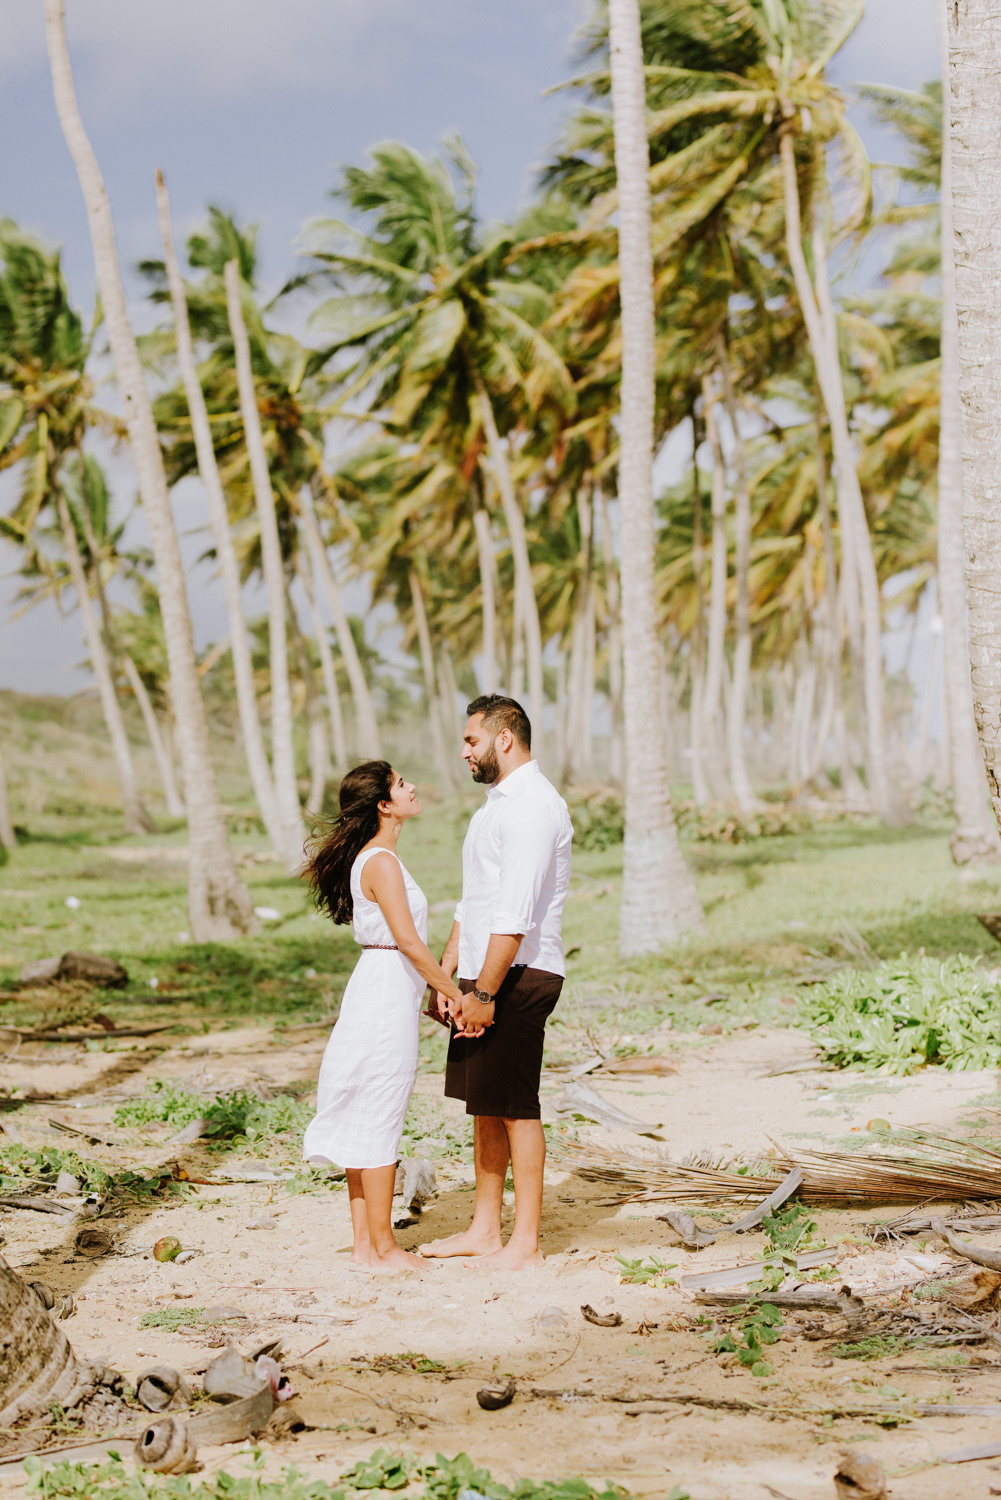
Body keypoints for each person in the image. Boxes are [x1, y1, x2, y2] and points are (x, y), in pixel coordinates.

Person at [420, 695, 573, 1270]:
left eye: (470, 741)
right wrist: (449, 974)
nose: (464, 752)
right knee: (485, 1105)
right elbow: (475, 899)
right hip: (483, 972)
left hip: (518, 974)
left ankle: (525, 1241)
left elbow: (515, 913)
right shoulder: (495, 806)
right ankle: (485, 1229)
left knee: (515, 1106)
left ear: (503, 738)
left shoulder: (532, 805)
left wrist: (483, 993)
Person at [302, 760, 463, 1270]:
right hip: (382, 996)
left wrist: (428, 992)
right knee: (379, 1115)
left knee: (367, 1117)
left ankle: (364, 1248)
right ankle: (385, 1248)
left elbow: (402, 949)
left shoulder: (378, 858)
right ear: (383, 804)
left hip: (382, 989)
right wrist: (456, 995)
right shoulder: (382, 862)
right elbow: (410, 943)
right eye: (400, 783)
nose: (412, 785)